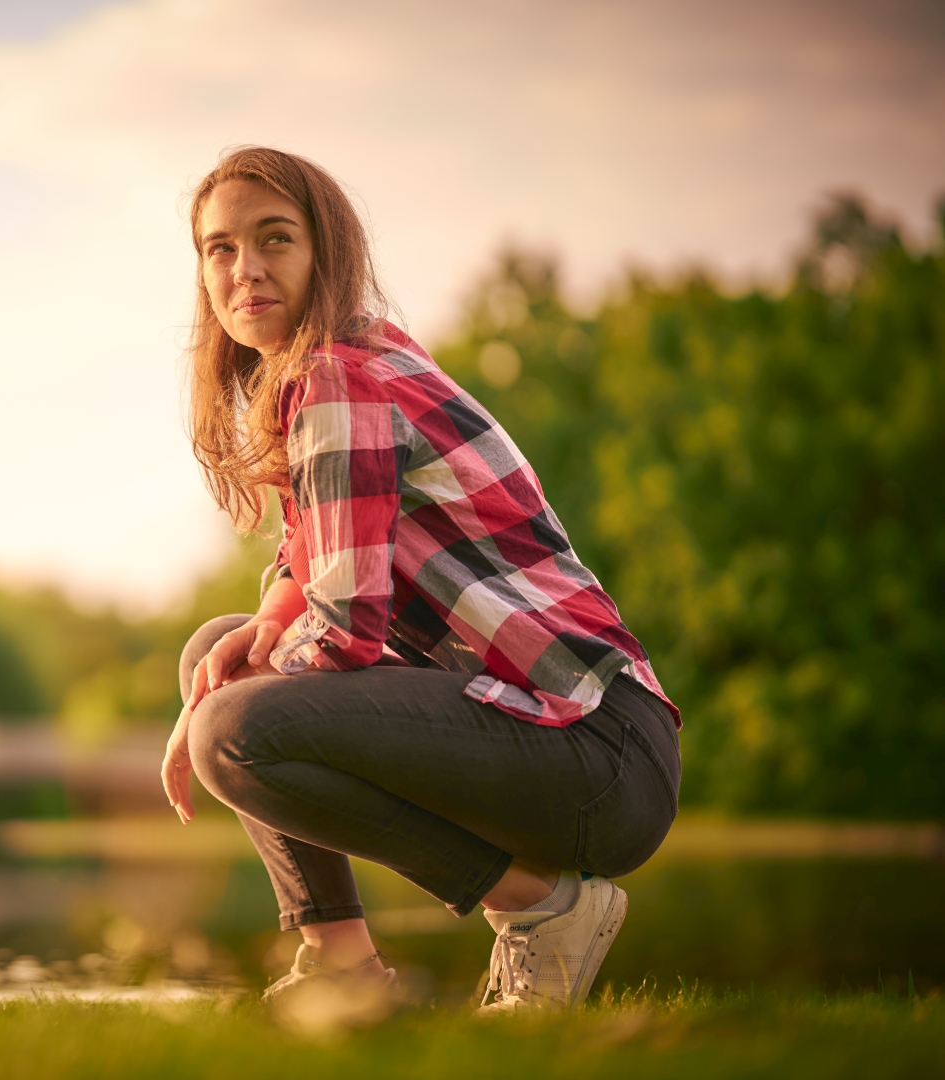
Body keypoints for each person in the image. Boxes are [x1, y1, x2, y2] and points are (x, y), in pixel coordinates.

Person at [160, 147, 681, 1014]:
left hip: (597, 748)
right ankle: (341, 964)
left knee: (230, 728)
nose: (244, 269)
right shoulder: (340, 364)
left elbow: (346, 629)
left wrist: (203, 724)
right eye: (219, 249)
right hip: (556, 736)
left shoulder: (338, 375)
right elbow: (312, 561)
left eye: (273, 239)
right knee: (216, 648)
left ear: (325, 254)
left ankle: (541, 910)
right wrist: (236, 657)